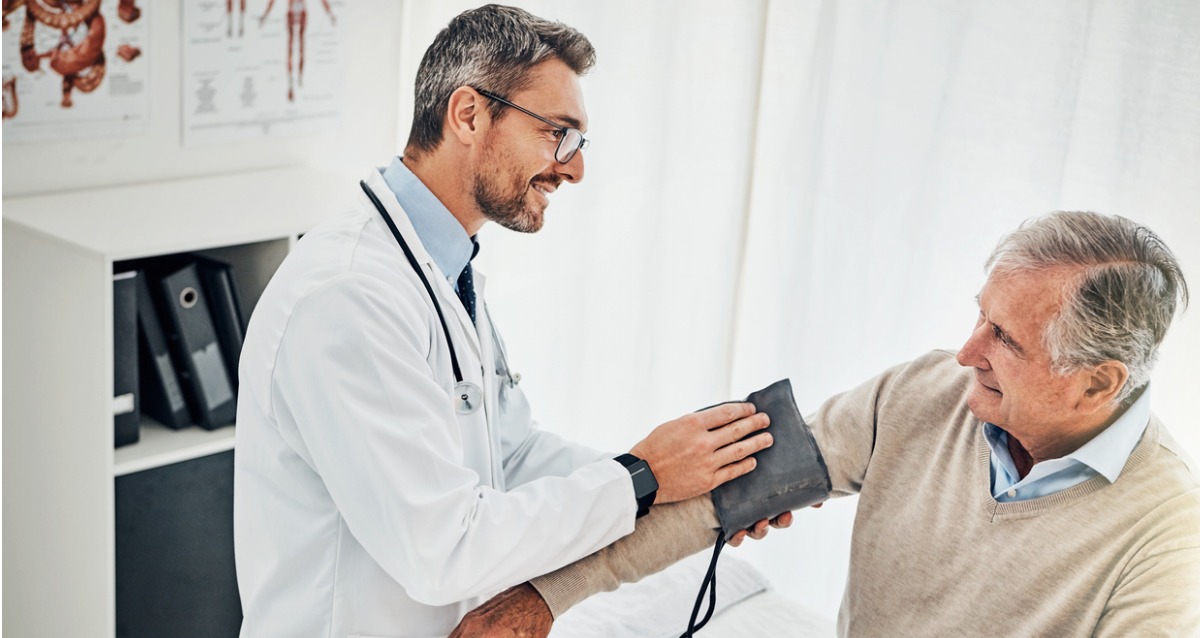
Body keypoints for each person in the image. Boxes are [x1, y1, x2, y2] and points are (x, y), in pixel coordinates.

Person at [232, 5, 779, 636]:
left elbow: (511, 455)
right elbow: (442, 549)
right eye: (558, 133)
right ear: (469, 114)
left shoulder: (444, 265)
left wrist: (686, 486)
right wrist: (642, 477)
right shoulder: (349, 296)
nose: (574, 168)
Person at [454, 210, 1200, 637]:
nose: (966, 350)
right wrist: (543, 598)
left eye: (1005, 339)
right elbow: (727, 490)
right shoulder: (924, 391)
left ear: (1097, 382)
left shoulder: (1167, 530)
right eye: (981, 315)